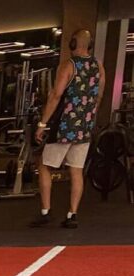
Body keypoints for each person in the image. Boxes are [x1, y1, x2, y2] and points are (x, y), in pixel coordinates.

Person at [32, 30, 104, 229]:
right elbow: (99, 96)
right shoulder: (98, 66)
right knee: (76, 170)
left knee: (44, 165)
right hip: (85, 127)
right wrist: (87, 117)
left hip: (65, 126)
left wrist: (42, 124)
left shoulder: (69, 65)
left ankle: (45, 212)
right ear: (89, 45)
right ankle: (72, 215)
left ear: (72, 43)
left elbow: (56, 95)